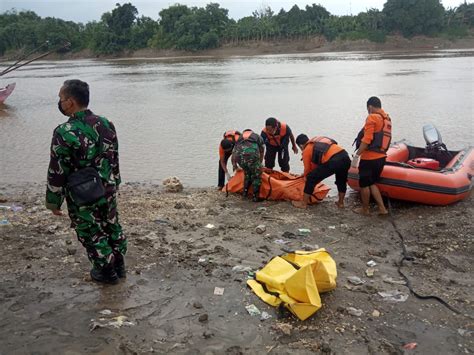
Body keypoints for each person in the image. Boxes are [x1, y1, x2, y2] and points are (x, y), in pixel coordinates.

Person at [46, 79, 126, 284]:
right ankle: (119, 265)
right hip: (107, 187)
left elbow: (58, 170)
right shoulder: (106, 123)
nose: (60, 103)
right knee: (111, 225)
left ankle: (106, 272)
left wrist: (54, 201)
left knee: (90, 230)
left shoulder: (64, 132)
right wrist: (115, 180)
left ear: (70, 102)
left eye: (61, 99)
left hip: (83, 193)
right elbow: (113, 156)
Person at [353, 96, 392, 216]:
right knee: (372, 183)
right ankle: (382, 209)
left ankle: (365, 209)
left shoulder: (372, 117)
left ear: (370, 107)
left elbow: (367, 139)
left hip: (369, 158)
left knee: (364, 184)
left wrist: (357, 155)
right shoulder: (387, 119)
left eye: (367, 109)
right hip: (381, 158)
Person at [292, 134, 351, 209]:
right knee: (341, 180)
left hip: (334, 160)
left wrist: (305, 176)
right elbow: (316, 166)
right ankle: (340, 203)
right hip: (345, 156)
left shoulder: (307, 149)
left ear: (300, 146)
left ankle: (303, 204)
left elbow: (307, 169)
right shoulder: (316, 143)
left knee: (310, 178)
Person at [232, 129, 265, 202]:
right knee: (256, 176)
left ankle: (245, 194)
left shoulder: (239, 138)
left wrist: (235, 166)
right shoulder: (257, 136)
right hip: (251, 156)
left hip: (239, 158)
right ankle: (255, 197)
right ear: (251, 132)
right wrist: (260, 163)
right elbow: (262, 150)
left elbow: (234, 153)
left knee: (247, 174)